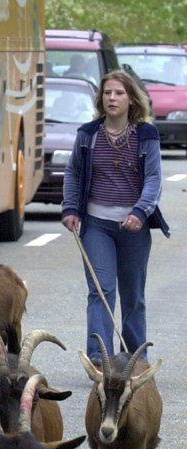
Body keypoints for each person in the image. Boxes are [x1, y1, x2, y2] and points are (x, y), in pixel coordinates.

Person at [61, 70, 169, 362]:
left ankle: (134, 356)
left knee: (133, 296)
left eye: (119, 93)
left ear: (131, 99)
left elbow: (154, 179)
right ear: (100, 99)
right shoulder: (87, 134)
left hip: (134, 227)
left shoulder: (146, 135)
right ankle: (99, 356)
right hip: (96, 226)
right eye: (107, 93)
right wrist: (70, 208)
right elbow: (73, 172)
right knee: (101, 289)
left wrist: (139, 211)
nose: (112, 98)